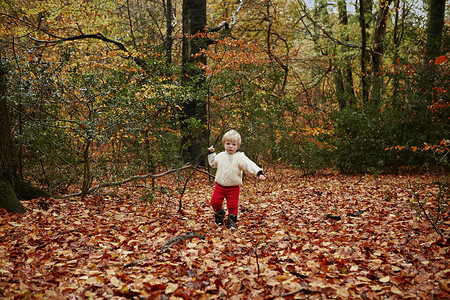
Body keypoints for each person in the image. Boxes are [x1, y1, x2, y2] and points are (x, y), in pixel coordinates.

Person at [207, 129, 266, 229]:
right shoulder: (220, 156)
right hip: (220, 186)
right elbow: (212, 163)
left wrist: (259, 172)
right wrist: (211, 153)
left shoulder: (240, 157)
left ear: (237, 146)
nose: (230, 146)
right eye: (228, 143)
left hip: (233, 188)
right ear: (224, 144)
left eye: (233, 144)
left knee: (232, 205)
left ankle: (232, 221)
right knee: (215, 202)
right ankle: (219, 215)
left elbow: (249, 164)